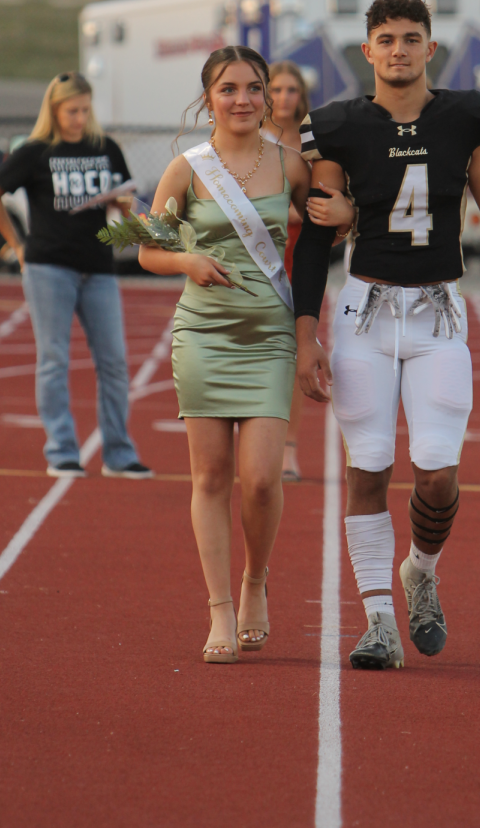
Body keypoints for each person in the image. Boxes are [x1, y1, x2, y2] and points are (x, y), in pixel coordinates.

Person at [292, 0, 480, 671]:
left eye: (411, 38)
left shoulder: (466, 120)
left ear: (430, 47)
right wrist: (307, 335)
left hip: (438, 313)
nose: (399, 49)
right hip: (364, 314)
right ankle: (377, 625)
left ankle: (421, 569)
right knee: (367, 469)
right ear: (368, 51)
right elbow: (315, 238)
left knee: (437, 475)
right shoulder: (336, 127)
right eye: (386, 39)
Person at [138, 46, 352, 664]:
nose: (243, 99)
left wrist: (349, 213)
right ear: (208, 97)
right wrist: (186, 259)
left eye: (254, 88)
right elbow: (150, 251)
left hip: (268, 338)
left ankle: (256, 580)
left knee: (259, 480)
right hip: (202, 337)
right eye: (228, 88)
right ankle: (220, 611)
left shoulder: (291, 164)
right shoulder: (185, 168)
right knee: (209, 478)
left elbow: (329, 225)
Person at [0, 71, 152, 480]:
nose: (79, 118)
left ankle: (119, 453)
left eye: (85, 110)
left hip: (99, 267)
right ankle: (61, 450)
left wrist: (132, 217)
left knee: (113, 361)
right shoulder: (37, 151)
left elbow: (125, 201)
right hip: (48, 267)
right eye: (71, 111)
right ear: (54, 110)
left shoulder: (106, 148)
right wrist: (17, 245)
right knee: (54, 359)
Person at [268, 61, 313, 482]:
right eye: (277, 89)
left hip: (298, 254)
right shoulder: (249, 135)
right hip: (254, 255)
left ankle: (289, 448)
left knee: (294, 355)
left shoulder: (313, 140)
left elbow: (318, 203)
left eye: (291, 90)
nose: (284, 98)